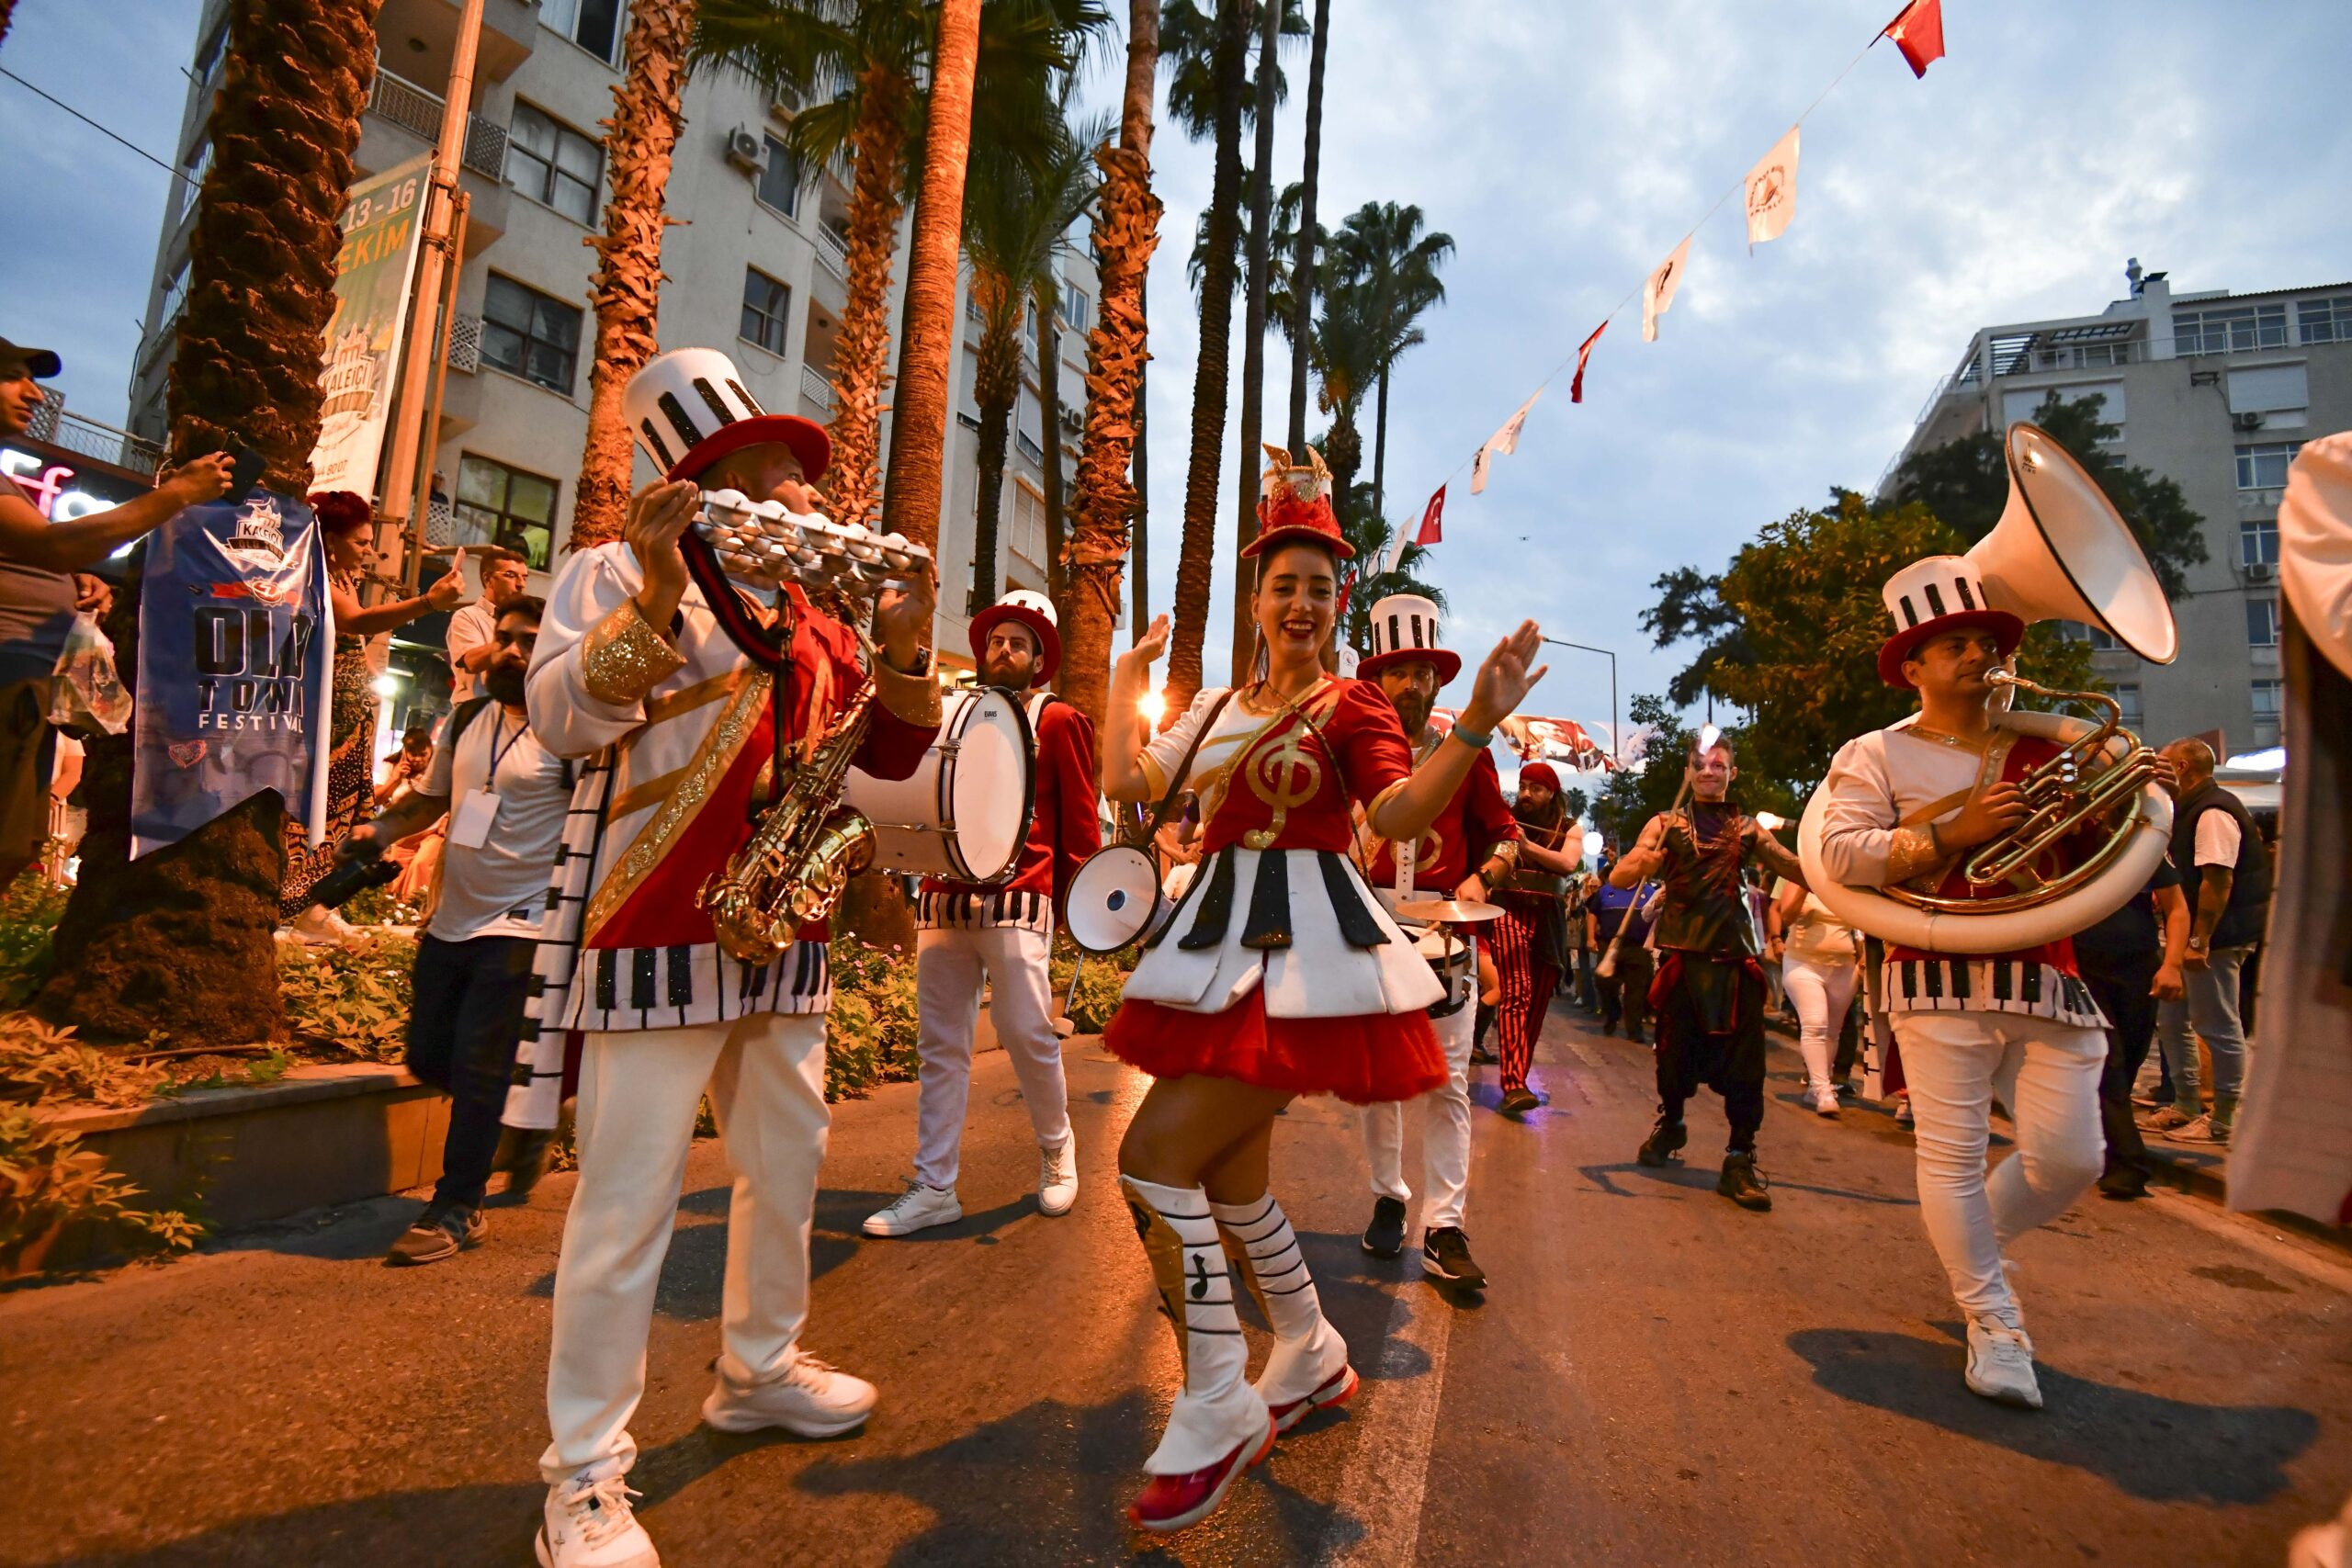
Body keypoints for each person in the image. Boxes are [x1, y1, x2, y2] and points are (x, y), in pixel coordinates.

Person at [516, 348, 939, 1568]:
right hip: (654, 925)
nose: (806, 497)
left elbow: (889, 765)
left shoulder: (824, 621)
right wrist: (653, 587)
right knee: (626, 1202)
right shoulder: (612, 568)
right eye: (776, 478)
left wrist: (904, 649)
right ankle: (583, 1475)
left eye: (803, 482)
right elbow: (562, 716)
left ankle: (757, 1366)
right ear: (709, 486)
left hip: (783, 928)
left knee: (789, 1161)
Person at [1095, 446, 1546, 1534]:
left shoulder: (1352, 708)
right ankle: (1307, 1350)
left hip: (1304, 966)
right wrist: (1118, 685)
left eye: (1317, 586)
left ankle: (1216, 1401)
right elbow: (1124, 786)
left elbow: (1394, 819)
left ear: (1335, 600)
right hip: (1214, 953)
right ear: (1257, 599)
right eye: (1281, 584)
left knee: (1153, 1163)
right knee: (1232, 1182)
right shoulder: (1209, 711)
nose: (1298, 602)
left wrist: (1476, 724)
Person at [1815, 553, 2118, 1411]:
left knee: (2072, 1158)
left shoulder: (2041, 743)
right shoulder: (1873, 752)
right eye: (1957, 645)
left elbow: (2096, 850)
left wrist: (2126, 799)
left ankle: (1969, 1245)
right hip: (1939, 977)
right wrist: (1955, 828)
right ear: (1913, 666)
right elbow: (1839, 855)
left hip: (2047, 971)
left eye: (1986, 641)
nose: (1980, 656)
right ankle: (1993, 1317)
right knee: (1950, 1161)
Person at [336, 595, 564, 1262]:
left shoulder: (572, 732)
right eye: (507, 637)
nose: (514, 650)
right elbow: (434, 796)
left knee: (477, 1063)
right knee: (429, 1056)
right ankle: (521, 1117)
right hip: (453, 916)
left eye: (531, 640)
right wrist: (378, 830)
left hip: (526, 923)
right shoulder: (468, 716)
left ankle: (457, 1205)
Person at [865, 590, 1100, 1237]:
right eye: (997, 638)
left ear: (1038, 658)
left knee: (1027, 1031)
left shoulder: (1059, 721)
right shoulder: (952, 711)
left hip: (1022, 893)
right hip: (944, 893)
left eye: (1018, 642)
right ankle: (935, 1184)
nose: (1003, 649)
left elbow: (1080, 822)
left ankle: (1057, 1150)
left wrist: (1092, 902)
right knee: (940, 1046)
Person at [0, 337, 232, 884]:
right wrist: (176, 495)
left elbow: (43, 553)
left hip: (28, 689)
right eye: (13, 377)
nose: (33, 394)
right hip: (9, 686)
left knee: (15, 844)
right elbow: (53, 545)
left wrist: (71, 579)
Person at [1351, 593, 1522, 1288]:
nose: (1417, 685)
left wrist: (1483, 878)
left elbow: (1507, 834)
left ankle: (1444, 1224)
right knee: (1379, 1085)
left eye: (1427, 672)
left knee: (1448, 1084)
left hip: (1446, 935)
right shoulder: (1353, 748)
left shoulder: (1466, 751)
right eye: (1402, 672)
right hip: (1367, 933)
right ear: (1379, 679)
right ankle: (1389, 1197)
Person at [1611, 731, 1805, 1213]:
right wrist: (1643, 861)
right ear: (1688, 772)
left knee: (1746, 1070)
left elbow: (1797, 869)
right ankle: (1672, 1121)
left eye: (1719, 764)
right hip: (1683, 962)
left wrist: (1854, 874)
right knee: (1672, 1062)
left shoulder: (1749, 830)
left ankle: (1739, 1157)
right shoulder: (1665, 822)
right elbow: (1620, 875)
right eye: (1700, 763)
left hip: (1736, 964)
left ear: (1731, 773)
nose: (1709, 770)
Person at [280, 492, 468, 941]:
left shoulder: (342, 573)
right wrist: (428, 603)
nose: (369, 550)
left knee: (345, 816)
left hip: (351, 716)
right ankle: (295, 907)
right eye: (361, 541)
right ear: (330, 539)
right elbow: (356, 621)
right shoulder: (314, 572)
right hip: (325, 718)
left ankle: (320, 906)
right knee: (315, 816)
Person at [2141, 738, 2268, 1145]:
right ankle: (2187, 1104)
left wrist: (2199, 940)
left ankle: (2225, 1117)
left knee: (2217, 1023)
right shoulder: (2191, 808)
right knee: (2173, 1022)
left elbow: (2218, 881)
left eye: (2162, 764)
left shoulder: (2212, 811)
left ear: (2180, 767)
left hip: (2217, 938)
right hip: (2195, 936)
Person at [2075, 857, 2188, 1200]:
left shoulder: (2140, 840)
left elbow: (2178, 908)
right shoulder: (2068, 846)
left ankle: (2102, 1152)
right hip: (2081, 966)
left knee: (2129, 1060)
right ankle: (2129, 1165)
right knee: (2108, 1062)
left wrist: (2172, 964)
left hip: (2138, 964)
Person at [1487, 761, 1581, 1116]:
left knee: (1538, 1000)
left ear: (1551, 793)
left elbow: (1568, 864)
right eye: (1523, 785)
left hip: (1548, 919)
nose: (1526, 794)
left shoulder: (1570, 828)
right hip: (1509, 908)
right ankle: (1512, 1084)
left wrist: (1524, 846)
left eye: (1535, 788)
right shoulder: (1505, 819)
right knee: (1517, 989)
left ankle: (1519, 1079)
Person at [1769, 875, 1863, 1114]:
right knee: (1815, 1023)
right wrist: (1805, 884)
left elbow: (1861, 924)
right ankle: (1823, 1090)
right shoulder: (1800, 879)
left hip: (1844, 966)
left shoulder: (1848, 883)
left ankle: (1816, 1086)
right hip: (1803, 963)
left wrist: (1862, 959)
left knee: (1832, 1030)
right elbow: (1786, 916)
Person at [447, 548, 531, 703]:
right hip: (475, 711)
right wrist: (519, 639)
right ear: (488, 579)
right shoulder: (467, 616)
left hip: (513, 712)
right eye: (511, 575)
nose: (521, 584)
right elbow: (472, 662)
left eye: (524, 577)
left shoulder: (524, 621)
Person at [1589, 853, 1655, 1044]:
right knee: (1603, 982)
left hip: (1637, 948)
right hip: (1609, 946)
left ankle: (1634, 1030)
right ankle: (1612, 1012)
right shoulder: (1606, 891)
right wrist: (1591, 937)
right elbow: (1593, 915)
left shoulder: (1649, 892)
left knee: (1637, 991)